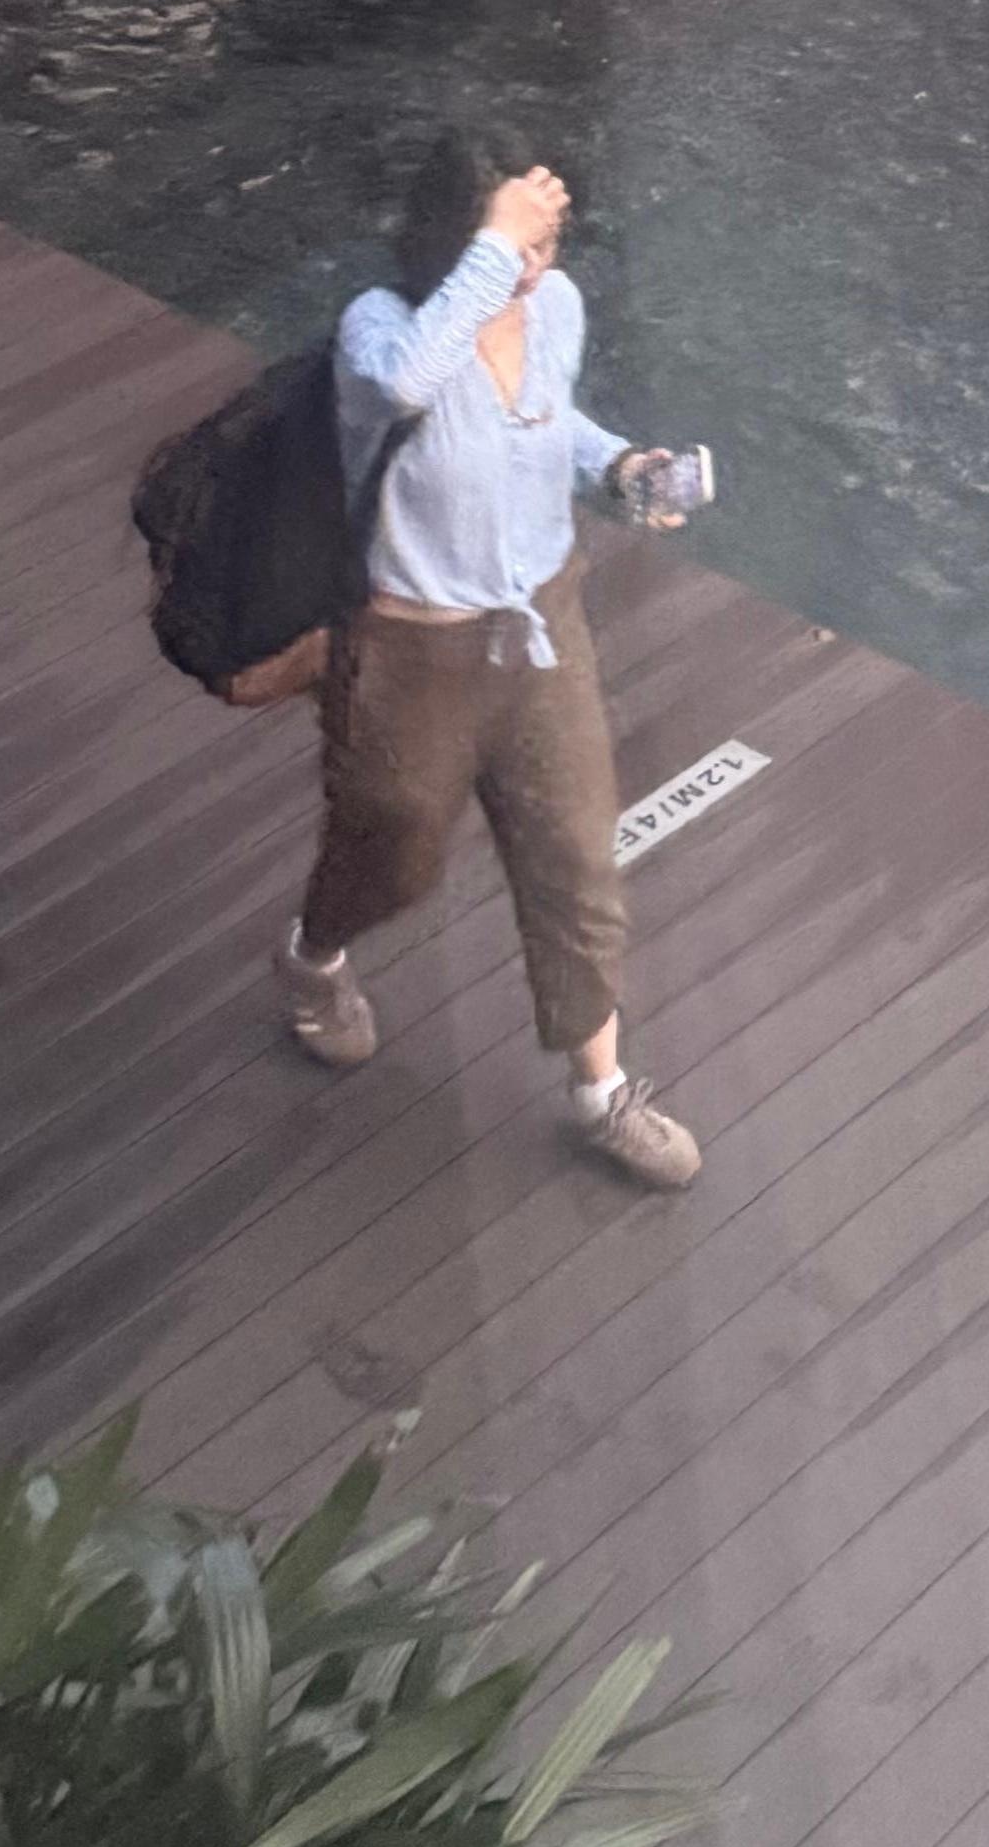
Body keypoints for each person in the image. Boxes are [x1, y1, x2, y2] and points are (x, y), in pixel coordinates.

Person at [275, 130, 704, 1190]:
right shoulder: (379, 330)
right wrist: (496, 250)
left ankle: (602, 1090)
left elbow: (549, 422)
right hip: (413, 645)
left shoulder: (554, 307)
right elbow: (410, 386)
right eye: (519, 246)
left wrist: (620, 468)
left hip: (540, 624)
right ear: (457, 241)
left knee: (578, 857)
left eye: (549, 244)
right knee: (397, 846)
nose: (537, 270)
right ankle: (314, 955)